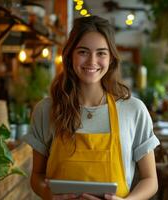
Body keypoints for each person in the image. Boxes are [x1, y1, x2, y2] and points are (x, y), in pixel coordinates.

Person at [24, 16, 160, 200]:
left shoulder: (134, 110)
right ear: (70, 54)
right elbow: (37, 177)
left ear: (111, 58)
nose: (92, 61)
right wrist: (50, 195)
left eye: (101, 53)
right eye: (83, 51)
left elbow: (150, 179)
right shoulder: (46, 110)